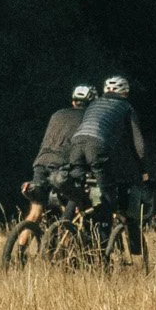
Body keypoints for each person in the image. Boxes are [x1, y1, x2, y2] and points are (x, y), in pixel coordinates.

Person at [66, 75, 148, 253]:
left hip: (77, 144)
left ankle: (69, 236)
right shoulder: (126, 107)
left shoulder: (94, 104)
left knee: (81, 189)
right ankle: (101, 253)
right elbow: (138, 145)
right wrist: (143, 169)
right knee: (106, 199)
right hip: (97, 147)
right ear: (125, 92)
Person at [21, 84, 94, 227]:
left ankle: (20, 248)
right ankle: (64, 238)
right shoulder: (88, 119)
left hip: (41, 163)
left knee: (35, 212)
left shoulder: (57, 114)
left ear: (73, 101)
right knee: (76, 195)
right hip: (62, 165)